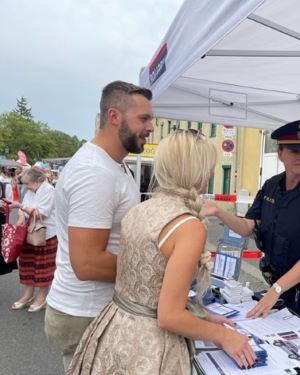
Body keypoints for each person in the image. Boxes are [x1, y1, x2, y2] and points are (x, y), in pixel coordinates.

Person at [68, 130, 256, 374]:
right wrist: (224, 336)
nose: (211, 173)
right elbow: (169, 316)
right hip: (150, 346)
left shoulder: (139, 209)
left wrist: (201, 315)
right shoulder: (188, 226)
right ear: (197, 170)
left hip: (114, 327)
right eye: (210, 166)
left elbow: (151, 287)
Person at [44, 81, 153, 369]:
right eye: (143, 118)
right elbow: (88, 263)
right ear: (114, 117)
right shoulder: (95, 172)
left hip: (95, 309)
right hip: (85, 313)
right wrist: (153, 269)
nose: (151, 127)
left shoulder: (114, 165)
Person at [204, 120, 300, 326]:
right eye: (295, 151)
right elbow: (248, 227)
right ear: (280, 153)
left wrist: (276, 290)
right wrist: (217, 212)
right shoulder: (271, 186)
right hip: (280, 285)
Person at [3, 167, 57, 311]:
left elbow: (41, 214)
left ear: (36, 180)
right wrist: (20, 216)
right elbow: (24, 209)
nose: (25, 186)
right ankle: (27, 294)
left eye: (27, 183)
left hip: (44, 233)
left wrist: (20, 205)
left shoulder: (48, 190)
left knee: (42, 266)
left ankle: (42, 296)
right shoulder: (31, 190)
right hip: (28, 232)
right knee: (27, 265)